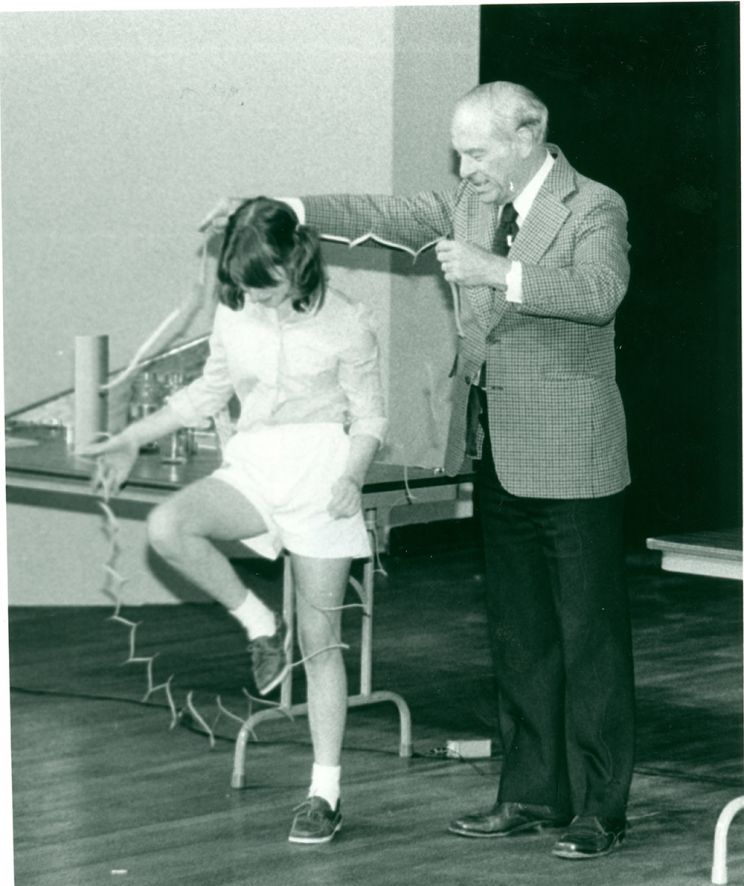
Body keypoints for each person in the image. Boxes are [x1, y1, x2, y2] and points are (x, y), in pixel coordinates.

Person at [202, 80, 635, 861]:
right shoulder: (470, 202)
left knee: (590, 638)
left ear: (529, 134)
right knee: (520, 634)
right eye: (459, 154)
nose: (464, 169)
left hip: (574, 456)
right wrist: (283, 206)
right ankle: (532, 793)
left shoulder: (594, 205)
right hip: (498, 450)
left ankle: (602, 809)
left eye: (476, 153)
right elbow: (384, 212)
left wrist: (496, 269)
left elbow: (601, 294)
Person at [82, 197, 387, 845]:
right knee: (168, 527)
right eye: (248, 290)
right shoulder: (235, 309)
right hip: (255, 463)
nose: (260, 301)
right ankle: (260, 624)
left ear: (299, 261)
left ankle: (324, 794)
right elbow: (207, 393)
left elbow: (369, 416)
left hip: (323, 473)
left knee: (321, 641)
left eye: (269, 287)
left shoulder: (349, 321)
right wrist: (131, 437)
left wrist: (352, 476)